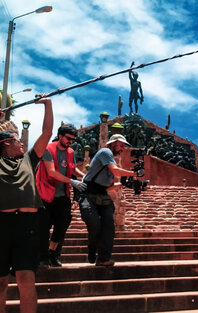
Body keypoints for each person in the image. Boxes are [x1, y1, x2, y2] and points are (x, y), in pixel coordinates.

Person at [0, 95, 53, 313]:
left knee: (26, 279)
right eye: (16, 140)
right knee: (1, 282)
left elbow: (47, 133)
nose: (22, 143)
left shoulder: (28, 160)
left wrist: (48, 104)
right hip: (1, 225)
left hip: (28, 226)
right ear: (4, 143)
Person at [78, 134, 138, 266]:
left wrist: (123, 185)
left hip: (103, 196)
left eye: (124, 146)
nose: (123, 149)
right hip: (88, 194)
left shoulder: (110, 163)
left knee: (108, 227)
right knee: (94, 224)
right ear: (113, 143)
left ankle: (104, 258)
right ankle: (92, 248)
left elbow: (109, 187)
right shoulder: (105, 152)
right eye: (121, 145)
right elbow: (116, 171)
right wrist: (134, 173)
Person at [36, 124, 87, 267]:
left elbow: (72, 168)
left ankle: (53, 253)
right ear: (60, 136)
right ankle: (43, 258)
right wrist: (72, 181)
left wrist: (82, 175)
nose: (71, 142)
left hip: (62, 195)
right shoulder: (47, 148)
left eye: (73, 139)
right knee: (44, 227)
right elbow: (51, 172)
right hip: (45, 194)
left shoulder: (71, 152)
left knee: (62, 225)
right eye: (68, 138)